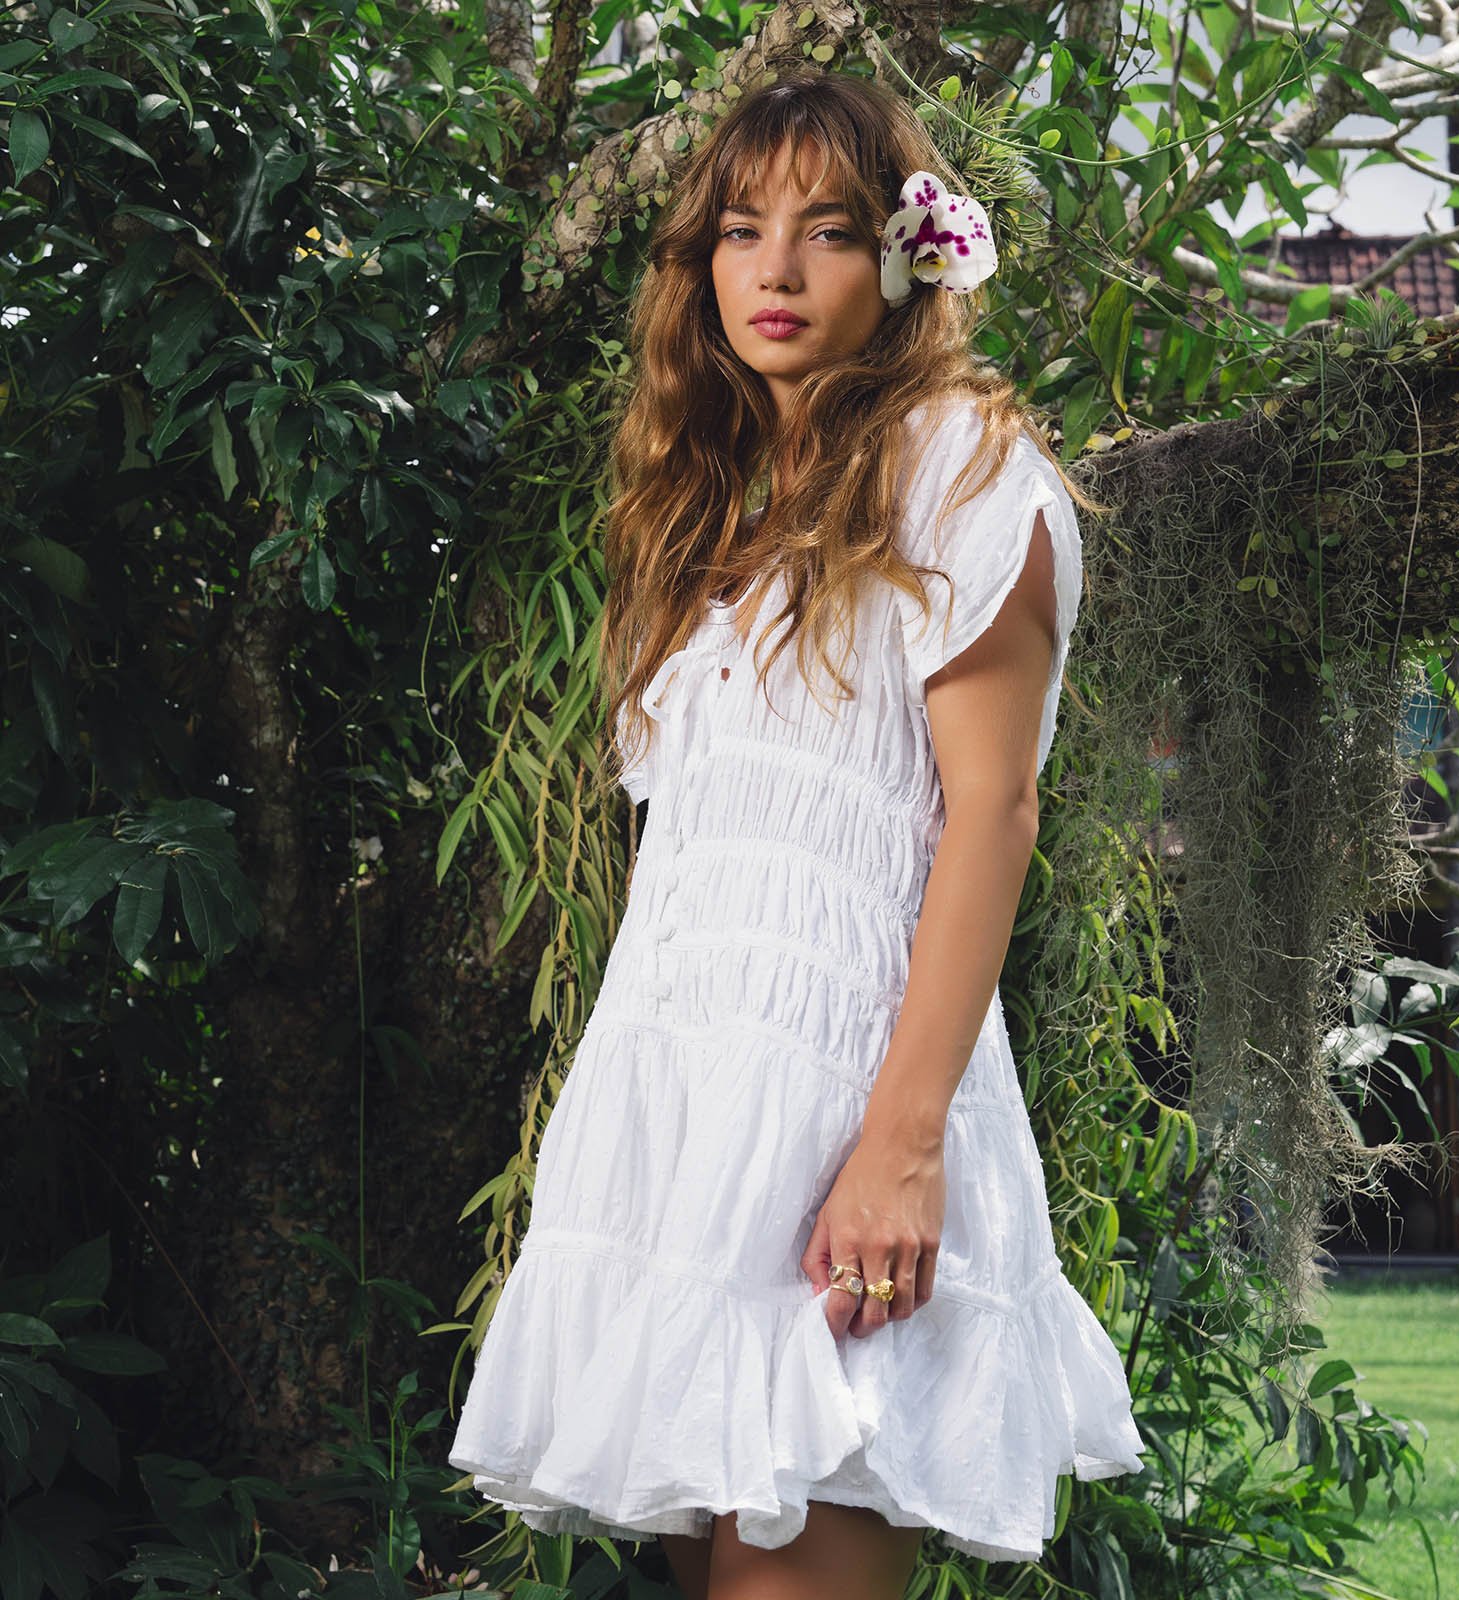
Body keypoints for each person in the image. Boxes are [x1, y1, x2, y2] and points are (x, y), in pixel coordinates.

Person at [448, 69, 1146, 1600]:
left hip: (852, 1101)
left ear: (907, 259)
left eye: (828, 230)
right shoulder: (710, 504)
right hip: (702, 1097)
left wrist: (896, 1151)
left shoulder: (963, 474)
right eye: (742, 229)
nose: (775, 270)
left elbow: (994, 814)